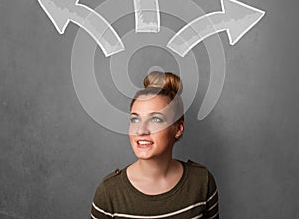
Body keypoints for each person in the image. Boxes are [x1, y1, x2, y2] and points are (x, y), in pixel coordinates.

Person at [91, 71, 219, 218]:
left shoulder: (202, 181)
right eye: (135, 120)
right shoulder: (109, 193)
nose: (141, 130)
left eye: (156, 119)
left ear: (178, 128)